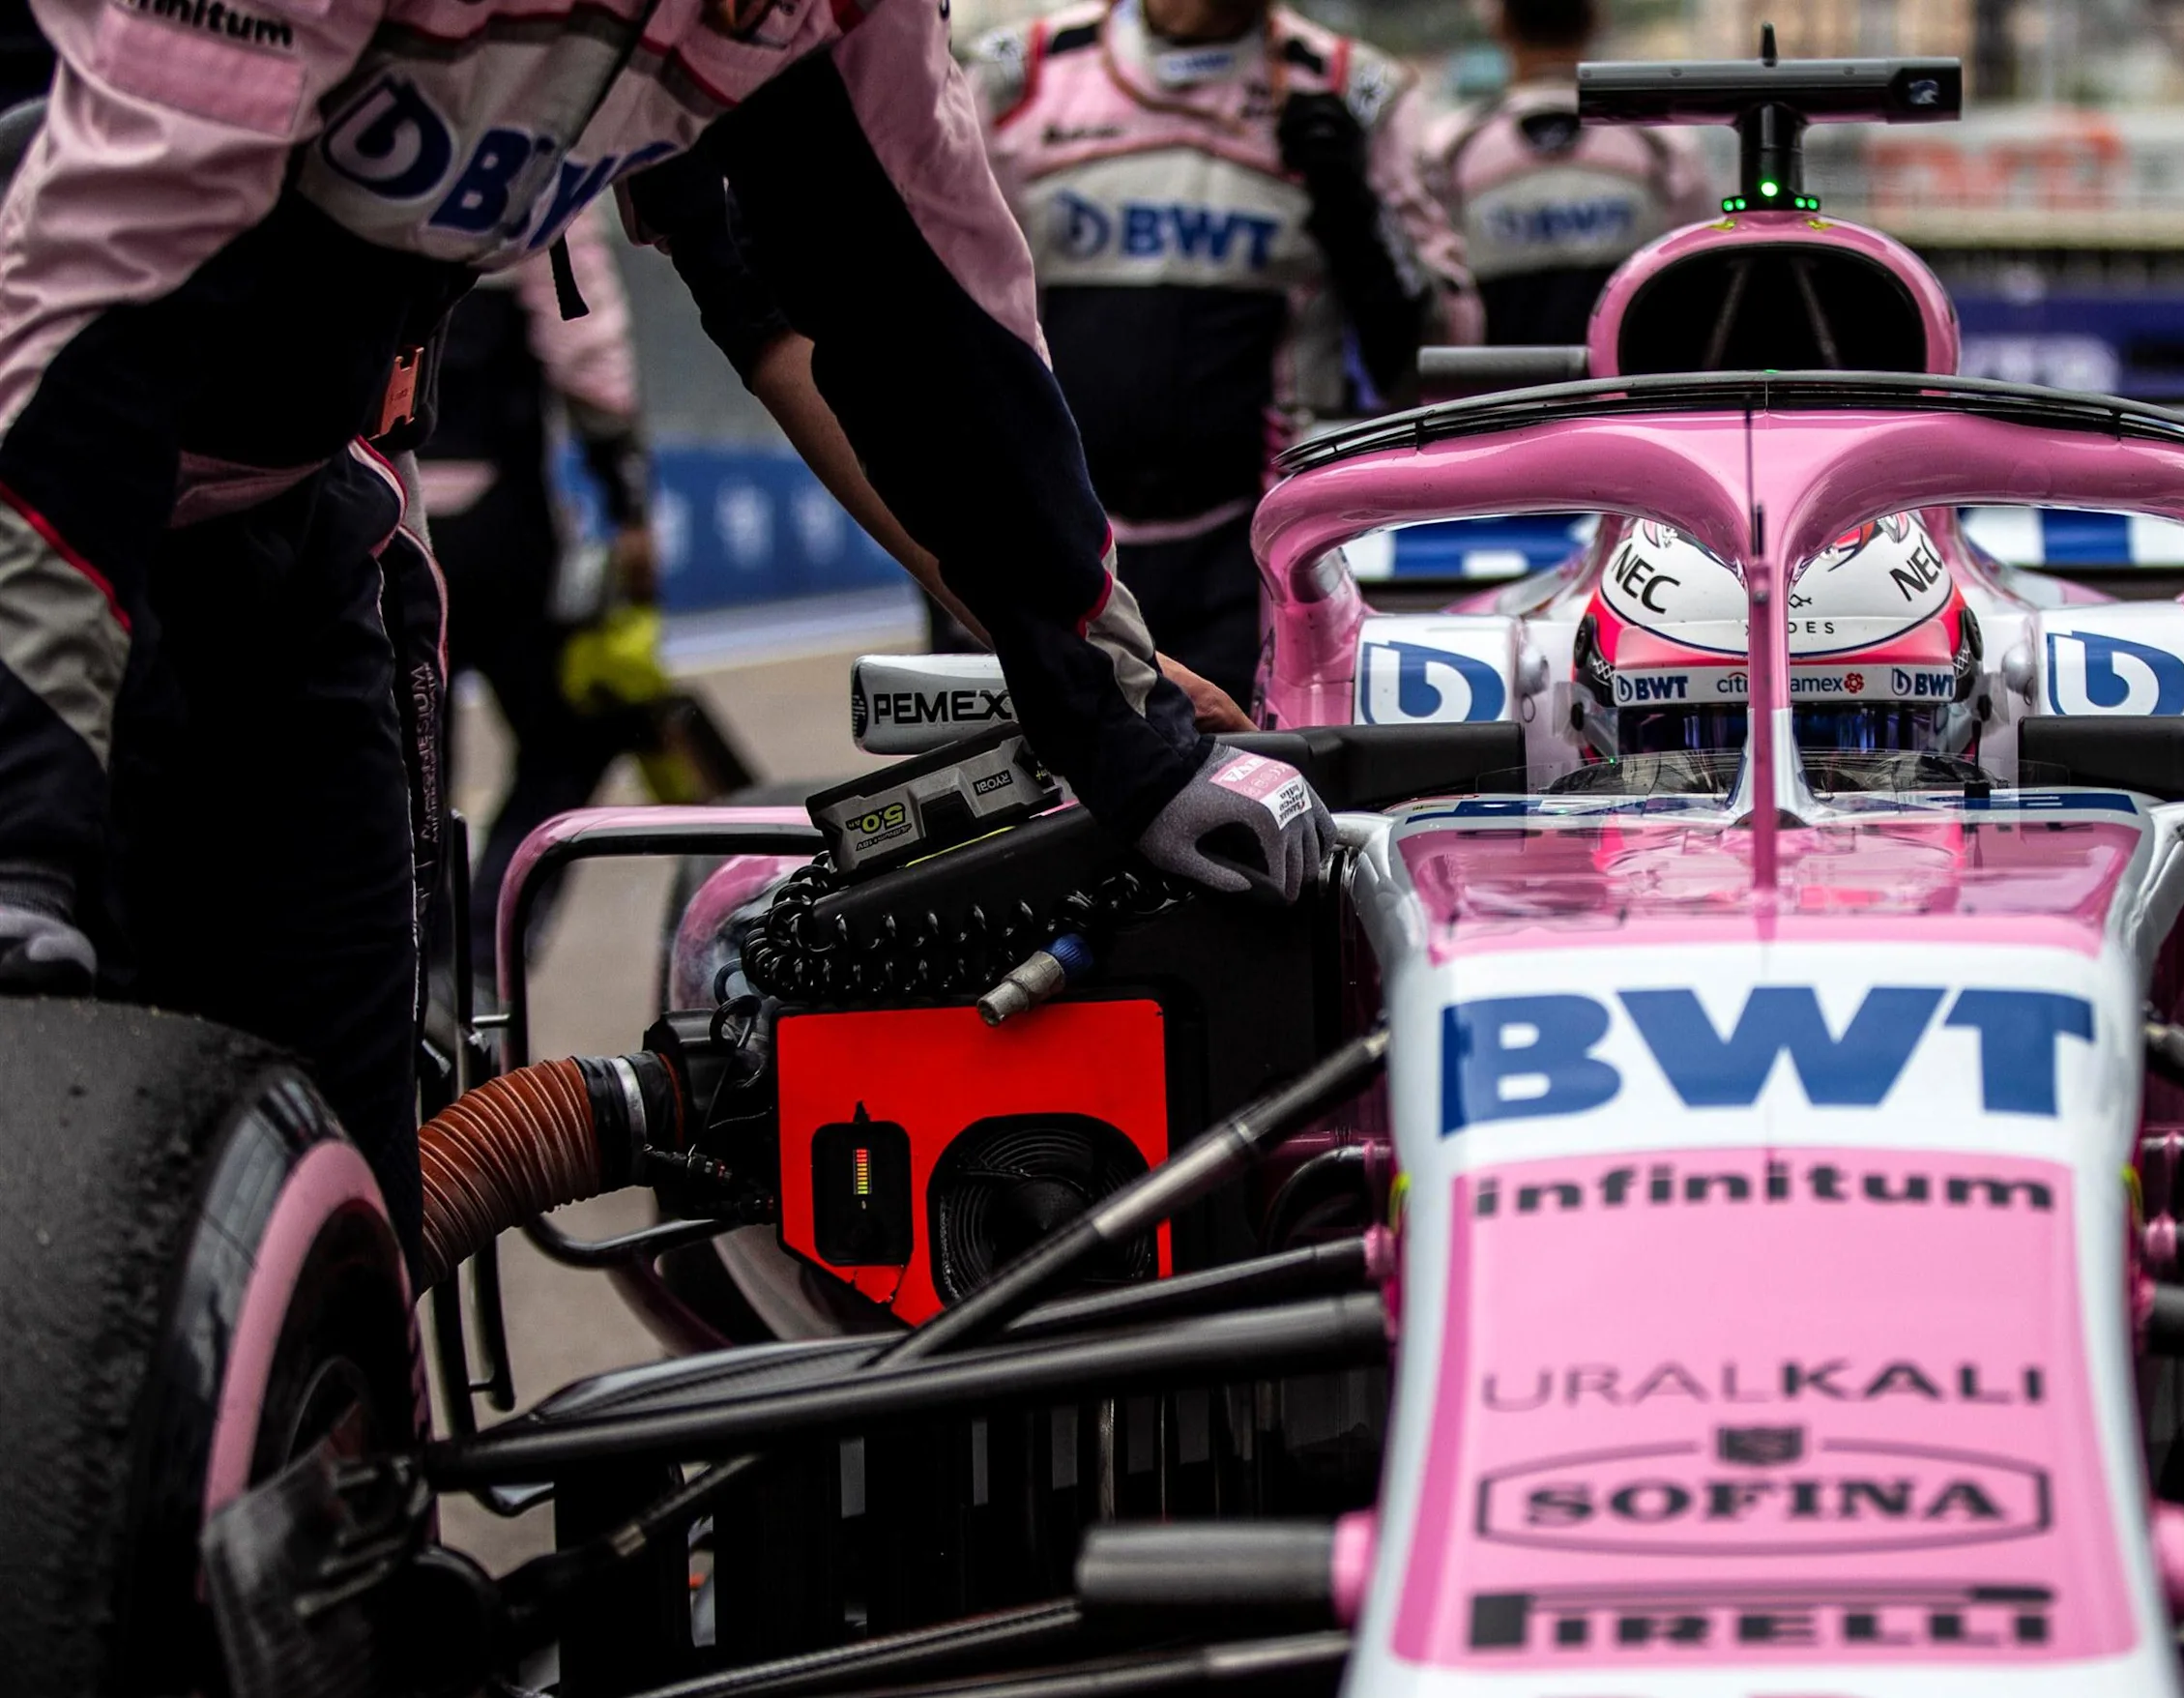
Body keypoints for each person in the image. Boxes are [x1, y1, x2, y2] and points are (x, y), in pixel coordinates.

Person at [0, 10, 1330, 1238]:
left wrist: (1115, 713)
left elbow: (915, 310)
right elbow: (90, 297)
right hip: (40, 447)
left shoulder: (821, 17)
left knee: (342, 1180)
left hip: (295, 511)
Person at [975, 0, 1478, 703]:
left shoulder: (1353, 89)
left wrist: (1356, 212)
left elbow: (1447, 348)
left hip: (1257, 560)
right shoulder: (1012, 76)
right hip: (1039, 545)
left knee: (1251, 798)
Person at [417, 237, 662, 972]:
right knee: (574, 736)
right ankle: (482, 955)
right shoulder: (537, 150)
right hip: (498, 528)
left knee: (414, 777)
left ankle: (422, 980)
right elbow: (584, 346)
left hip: (369, 526)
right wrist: (627, 499)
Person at [1424, 0, 1713, 346]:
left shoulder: (1450, 149)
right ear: (1598, 20)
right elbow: (1699, 288)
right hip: (1632, 396)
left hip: (1495, 396)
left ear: (1499, 25)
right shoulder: (1663, 148)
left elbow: (1435, 304)